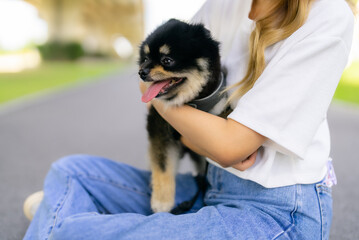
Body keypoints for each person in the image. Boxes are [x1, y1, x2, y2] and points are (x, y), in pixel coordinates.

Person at [23, 0, 354, 239]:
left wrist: (178, 115)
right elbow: (149, 75)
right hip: (210, 187)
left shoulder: (327, 15)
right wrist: (198, 134)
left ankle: (56, 216)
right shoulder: (226, 6)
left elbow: (229, 146)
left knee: (76, 232)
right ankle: (60, 213)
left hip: (276, 214)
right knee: (69, 172)